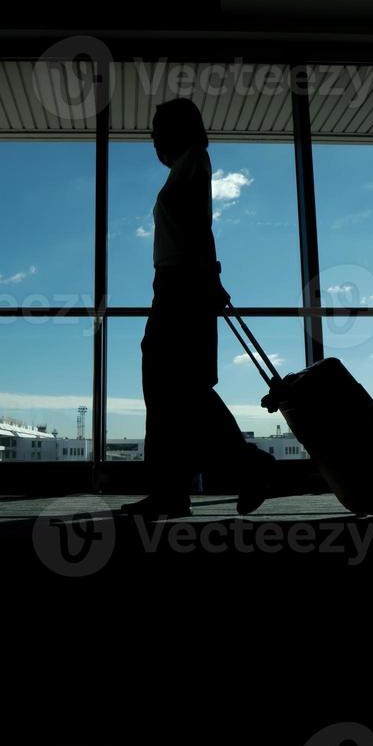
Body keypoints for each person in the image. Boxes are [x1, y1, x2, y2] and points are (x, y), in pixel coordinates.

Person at [120, 98, 277, 521]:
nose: (153, 140)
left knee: (173, 389)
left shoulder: (193, 163)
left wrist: (208, 278)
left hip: (180, 286)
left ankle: (223, 475)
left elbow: (198, 227)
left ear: (175, 131)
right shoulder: (186, 166)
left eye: (156, 131)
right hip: (178, 285)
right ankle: (205, 480)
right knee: (178, 391)